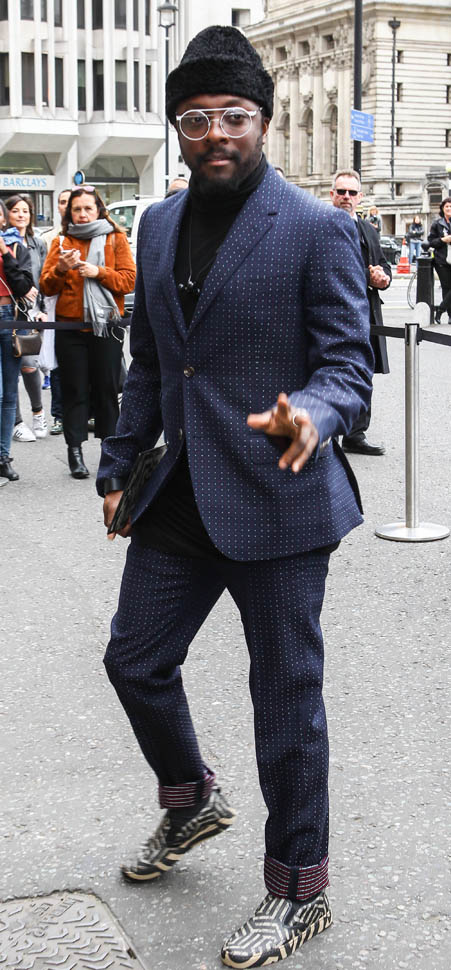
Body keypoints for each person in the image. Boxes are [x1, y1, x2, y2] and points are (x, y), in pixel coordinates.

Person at [97, 26, 373, 969]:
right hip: (181, 490)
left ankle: (298, 891)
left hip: (281, 496)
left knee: (284, 705)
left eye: (233, 116)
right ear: (177, 128)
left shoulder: (316, 226)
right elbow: (149, 361)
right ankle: (191, 799)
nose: (214, 132)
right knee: (134, 661)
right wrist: (117, 465)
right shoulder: (158, 223)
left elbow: (348, 369)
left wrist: (314, 416)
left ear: (260, 121)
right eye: (195, 118)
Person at [40, 187, 136, 479]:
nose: (82, 214)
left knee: (107, 390)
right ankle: (75, 452)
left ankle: (110, 453)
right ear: (69, 213)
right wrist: (60, 269)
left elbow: (129, 281)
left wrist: (98, 272)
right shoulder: (61, 241)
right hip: (70, 329)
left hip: (106, 326)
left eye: (87, 209)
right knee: (75, 391)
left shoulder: (115, 237)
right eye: (77, 209)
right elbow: (46, 287)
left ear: (99, 210)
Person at [331, 170, 390, 456]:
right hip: (330, 312)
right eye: (341, 192)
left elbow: (383, 265)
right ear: (332, 194)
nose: (346, 197)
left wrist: (383, 279)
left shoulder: (369, 229)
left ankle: (356, 434)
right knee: (330, 372)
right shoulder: (318, 224)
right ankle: (327, 434)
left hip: (365, 312)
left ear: (360, 197)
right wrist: (364, 276)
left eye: (352, 193)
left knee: (363, 372)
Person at [5, 195, 48, 443]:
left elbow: (43, 278)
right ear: (7, 214)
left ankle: (38, 413)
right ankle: (17, 422)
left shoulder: (37, 243)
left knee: (30, 364)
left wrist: (43, 308)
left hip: (33, 311)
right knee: (13, 366)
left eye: (25, 211)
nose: (21, 215)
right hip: (11, 310)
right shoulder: (6, 242)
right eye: (16, 211)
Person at [0, 218, 34, 483]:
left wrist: (4, 252)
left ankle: (3, 457)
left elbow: (24, 287)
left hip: (11, 319)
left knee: (10, 394)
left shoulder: (15, 246)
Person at [40, 188, 72, 435]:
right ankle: (59, 415)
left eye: (69, 201)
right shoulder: (51, 238)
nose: (66, 206)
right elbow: (44, 278)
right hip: (56, 310)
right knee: (58, 367)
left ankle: (89, 414)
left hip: (86, 315)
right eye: (62, 202)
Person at [428, 196, 451, 325]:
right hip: (441, 260)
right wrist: (443, 240)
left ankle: (440, 310)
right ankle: (450, 316)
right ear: (442, 208)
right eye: (447, 206)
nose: (449, 208)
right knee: (446, 287)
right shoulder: (437, 224)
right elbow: (431, 242)